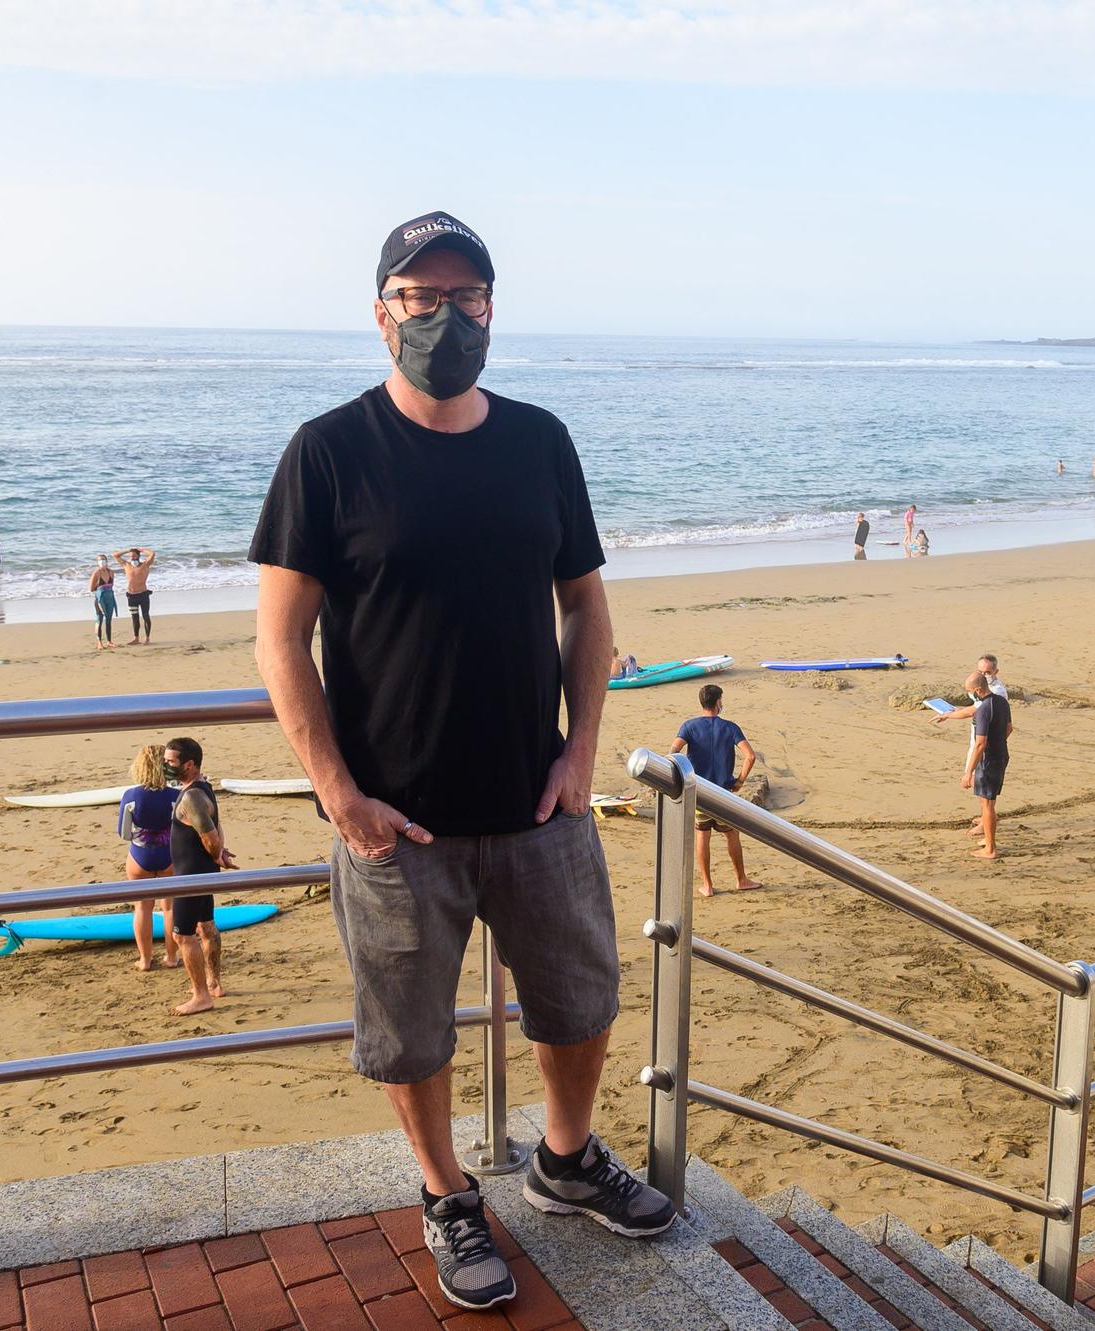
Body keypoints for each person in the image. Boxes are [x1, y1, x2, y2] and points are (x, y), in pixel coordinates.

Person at [250, 209, 672, 1312]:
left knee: (579, 1004)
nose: (444, 315)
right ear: (381, 312)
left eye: (464, 296)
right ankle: (445, 1192)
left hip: (539, 804)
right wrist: (339, 792)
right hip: (396, 822)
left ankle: (566, 1159)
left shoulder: (539, 440)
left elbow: (584, 606)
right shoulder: (328, 450)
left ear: (493, 308)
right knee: (410, 1030)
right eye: (419, 297)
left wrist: (580, 751)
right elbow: (278, 639)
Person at [165, 737, 235, 1016]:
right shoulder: (202, 787)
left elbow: (210, 837)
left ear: (189, 764)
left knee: (183, 936)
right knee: (206, 926)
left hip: (191, 876)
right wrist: (219, 854)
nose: (166, 766)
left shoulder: (193, 796)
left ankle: (201, 996)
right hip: (202, 871)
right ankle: (214, 983)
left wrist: (217, 851)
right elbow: (215, 824)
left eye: (171, 762)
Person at [670, 684, 760, 897]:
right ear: (718, 702)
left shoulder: (689, 726)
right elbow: (751, 756)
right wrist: (740, 780)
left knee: (703, 834)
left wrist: (680, 773)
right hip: (723, 792)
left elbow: (674, 750)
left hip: (700, 792)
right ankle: (741, 879)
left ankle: (707, 885)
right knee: (731, 834)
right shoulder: (730, 728)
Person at [117, 745, 182, 972]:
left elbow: (124, 833)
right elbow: (180, 828)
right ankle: (172, 957)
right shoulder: (175, 795)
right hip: (168, 854)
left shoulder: (131, 795)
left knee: (142, 908)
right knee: (170, 908)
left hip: (140, 855)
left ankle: (145, 960)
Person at [959, 671, 1010, 860]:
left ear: (978, 690)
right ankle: (988, 838)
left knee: (987, 804)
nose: (970, 694)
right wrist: (998, 743)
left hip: (988, 760)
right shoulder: (1002, 702)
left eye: (970, 691)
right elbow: (1009, 728)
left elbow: (980, 743)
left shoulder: (983, 710)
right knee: (986, 800)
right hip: (1001, 755)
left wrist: (968, 772)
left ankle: (990, 849)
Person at [114, 546, 156, 645]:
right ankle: (136, 638)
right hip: (131, 596)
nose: (132, 557)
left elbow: (152, 554)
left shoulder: (145, 564)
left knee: (146, 616)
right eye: (130, 556)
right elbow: (115, 555)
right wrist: (127, 550)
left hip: (143, 595)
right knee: (134, 617)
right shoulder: (126, 564)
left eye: (134, 555)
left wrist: (141, 549)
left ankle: (147, 638)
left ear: (138, 556)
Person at [89, 554, 118, 649]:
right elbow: (91, 588)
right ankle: (99, 642)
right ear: (97, 563)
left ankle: (109, 641)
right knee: (99, 620)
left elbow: (111, 585)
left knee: (109, 620)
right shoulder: (96, 573)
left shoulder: (111, 572)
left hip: (109, 598)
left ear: (107, 561)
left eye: (103, 560)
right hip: (100, 599)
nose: (102, 562)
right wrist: (99, 589)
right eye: (100, 560)